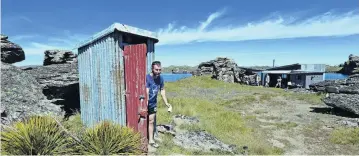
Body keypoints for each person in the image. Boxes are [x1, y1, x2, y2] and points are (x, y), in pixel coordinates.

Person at [146, 61, 171, 148]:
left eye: (160, 69)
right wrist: (145, 103)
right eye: (156, 69)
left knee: (151, 121)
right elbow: (147, 91)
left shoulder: (160, 78)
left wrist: (166, 103)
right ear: (152, 69)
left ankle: (151, 140)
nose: (158, 71)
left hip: (153, 103)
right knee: (143, 120)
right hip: (145, 103)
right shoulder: (147, 78)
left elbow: (162, 90)